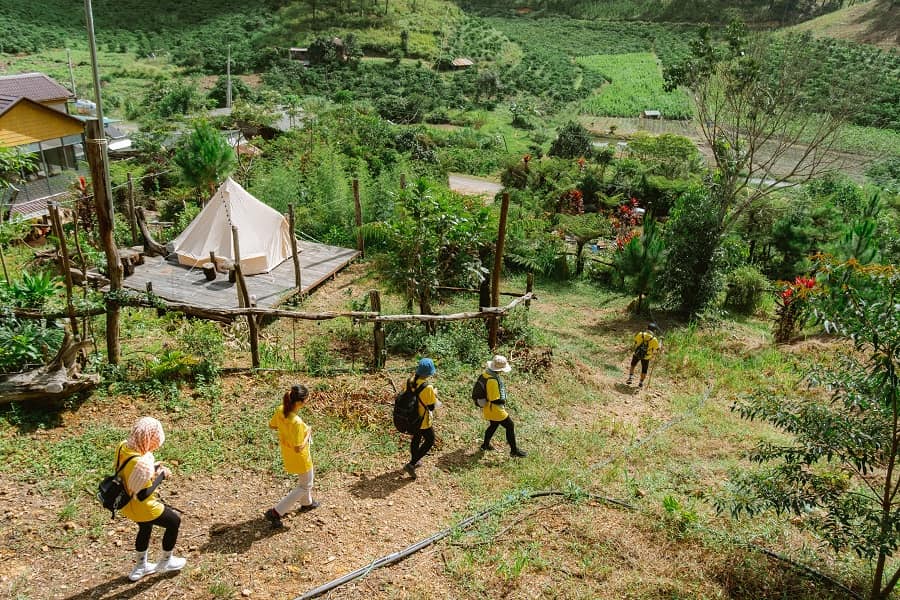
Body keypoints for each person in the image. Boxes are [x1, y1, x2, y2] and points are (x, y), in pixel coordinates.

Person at [117, 416, 186, 582]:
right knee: (174, 522)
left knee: (145, 527)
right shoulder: (142, 464)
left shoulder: (123, 447)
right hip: (143, 507)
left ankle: (141, 566)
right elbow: (143, 495)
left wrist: (152, 469)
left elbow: (132, 473)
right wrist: (161, 475)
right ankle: (166, 561)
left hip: (126, 504)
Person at [265, 384, 319, 528]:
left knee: (304, 482)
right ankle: (276, 512)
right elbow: (298, 447)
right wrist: (308, 432)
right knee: (306, 485)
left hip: (287, 453)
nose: (307, 400)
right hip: (301, 458)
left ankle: (307, 503)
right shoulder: (297, 422)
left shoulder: (280, 410)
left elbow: (272, 425)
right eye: (306, 399)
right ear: (299, 402)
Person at [477, 355, 527, 458]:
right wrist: (503, 401)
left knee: (493, 425)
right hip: (495, 409)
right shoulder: (493, 381)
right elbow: (494, 399)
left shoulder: (485, 374)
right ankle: (514, 451)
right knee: (510, 425)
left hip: (488, 407)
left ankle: (485, 445)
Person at [404, 358, 439, 479]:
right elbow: (431, 407)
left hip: (411, 417)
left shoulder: (410, 380)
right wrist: (434, 394)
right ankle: (412, 463)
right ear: (429, 373)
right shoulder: (428, 387)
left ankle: (415, 460)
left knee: (416, 437)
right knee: (430, 440)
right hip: (422, 420)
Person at [626, 322, 661, 389]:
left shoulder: (640, 334)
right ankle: (641, 383)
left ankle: (630, 377)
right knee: (644, 370)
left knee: (633, 365)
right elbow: (657, 349)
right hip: (646, 357)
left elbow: (635, 342)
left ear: (647, 328)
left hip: (637, 353)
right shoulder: (654, 339)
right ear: (654, 331)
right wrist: (660, 343)